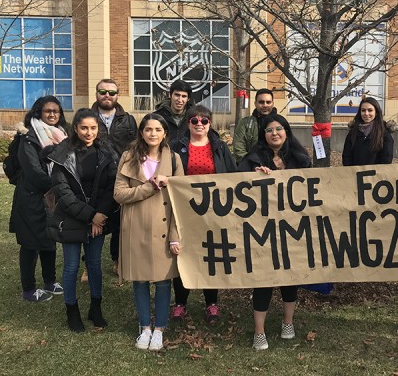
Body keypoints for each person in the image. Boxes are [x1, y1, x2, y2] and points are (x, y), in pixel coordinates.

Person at [238, 113, 311, 350]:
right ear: (263, 135)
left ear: (286, 131)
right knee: (264, 278)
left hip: (293, 228)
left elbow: (312, 189)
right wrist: (254, 178)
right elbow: (237, 187)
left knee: (290, 276)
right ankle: (259, 331)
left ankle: (288, 323)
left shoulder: (301, 159)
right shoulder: (253, 160)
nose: (275, 133)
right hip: (263, 229)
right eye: (269, 130)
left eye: (279, 128)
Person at [114, 113, 184, 351]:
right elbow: (119, 194)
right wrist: (148, 187)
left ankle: (160, 329)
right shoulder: (128, 157)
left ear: (165, 133)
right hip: (135, 227)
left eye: (157, 129)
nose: (153, 134)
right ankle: (144, 327)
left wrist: (176, 235)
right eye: (148, 129)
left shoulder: (173, 159)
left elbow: (180, 202)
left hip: (164, 228)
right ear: (141, 132)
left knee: (164, 282)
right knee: (140, 280)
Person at [46, 109, 118, 332]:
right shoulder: (62, 153)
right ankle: (72, 310)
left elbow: (112, 185)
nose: (89, 132)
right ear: (75, 128)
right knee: (71, 267)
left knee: (94, 265)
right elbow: (63, 192)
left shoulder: (106, 151)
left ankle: (95, 308)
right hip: (72, 218)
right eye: (84, 128)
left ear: (99, 128)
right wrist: (90, 215)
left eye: (93, 128)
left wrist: (100, 215)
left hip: (99, 217)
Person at [170, 105, 237, 325]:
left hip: (214, 212)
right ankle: (180, 303)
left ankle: (211, 303)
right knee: (184, 255)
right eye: (194, 120)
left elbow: (233, 175)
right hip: (184, 212)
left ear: (210, 123)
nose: (199, 124)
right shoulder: (176, 147)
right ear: (187, 122)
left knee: (212, 255)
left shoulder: (219, 147)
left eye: (204, 121)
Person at [9, 96, 68, 302]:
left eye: (56, 111)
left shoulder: (60, 135)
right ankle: (28, 289)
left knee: (49, 239)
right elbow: (34, 172)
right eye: (47, 111)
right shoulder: (29, 137)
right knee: (30, 243)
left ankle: (50, 282)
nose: (52, 114)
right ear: (38, 113)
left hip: (51, 199)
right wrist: (61, 185)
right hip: (32, 197)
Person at [91, 78, 137, 276]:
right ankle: (89, 263)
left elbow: (136, 147)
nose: (107, 96)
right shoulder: (87, 117)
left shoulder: (128, 119)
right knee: (93, 222)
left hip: (121, 177)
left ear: (118, 95)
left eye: (111, 92)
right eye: (103, 92)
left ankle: (118, 261)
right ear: (97, 94)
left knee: (120, 223)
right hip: (94, 178)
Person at [342, 97, 395, 166]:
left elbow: (386, 160)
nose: (366, 113)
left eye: (370, 110)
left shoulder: (384, 133)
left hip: (376, 175)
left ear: (376, 112)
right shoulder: (353, 132)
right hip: (355, 175)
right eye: (363, 110)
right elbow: (346, 158)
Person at [232, 88, 277, 163]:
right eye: (261, 102)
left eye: (268, 102)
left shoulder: (280, 123)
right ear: (255, 103)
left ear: (272, 103)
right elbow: (238, 149)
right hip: (251, 168)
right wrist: (253, 164)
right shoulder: (244, 123)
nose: (265, 105)